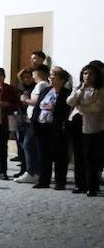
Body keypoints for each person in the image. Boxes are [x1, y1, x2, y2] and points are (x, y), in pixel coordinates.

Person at [66, 62, 104, 197]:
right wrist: (80, 90)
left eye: (91, 74)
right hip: (76, 123)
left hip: (92, 126)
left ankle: (92, 186)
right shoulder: (78, 88)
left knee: (90, 156)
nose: (87, 76)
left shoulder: (100, 90)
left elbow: (97, 107)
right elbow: (70, 102)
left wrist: (81, 106)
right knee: (78, 155)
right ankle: (79, 184)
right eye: (85, 73)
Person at [36, 67, 73, 190]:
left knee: (60, 156)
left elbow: (67, 111)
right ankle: (43, 180)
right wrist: (34, 121)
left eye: (54, 76)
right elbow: (38, 107)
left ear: (62, 79)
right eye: (50, 76)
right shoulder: (46, 90)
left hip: (58, 128)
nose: (51, 78)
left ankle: (60, 181)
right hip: (43, 126)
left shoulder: (67, 93)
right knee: (43, 155)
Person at [12, 68, 38, 183]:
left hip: (30, 119)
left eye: (28, 77)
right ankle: (23, 169)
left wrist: (25, 100)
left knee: (29, 145)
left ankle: (32, 170)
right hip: (19, 117)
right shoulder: (20, 88)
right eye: (24, 78)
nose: (26, 79)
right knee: (21, 144)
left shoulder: (36, 88)